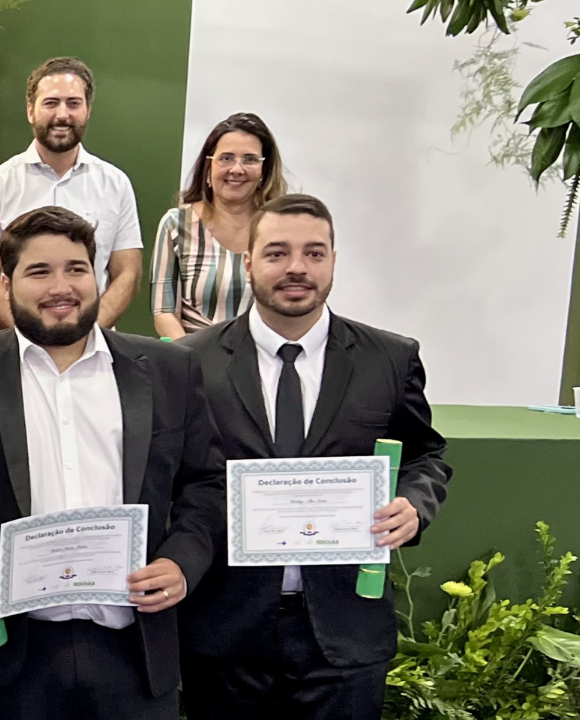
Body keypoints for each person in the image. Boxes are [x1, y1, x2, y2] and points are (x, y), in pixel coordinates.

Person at [0, 207, 227, 720]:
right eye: (39, 271)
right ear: (5, 280)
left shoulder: (169, 368)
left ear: (99, 275)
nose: (61, 286)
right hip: (11, 652)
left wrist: (181, 563)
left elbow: (205, 484)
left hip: (135, 645)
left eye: (76, 269)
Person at [177, 194, 452, 719]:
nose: (297, 267)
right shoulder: (189, 363)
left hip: (344, 629)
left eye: (314, 253)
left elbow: (426, 455)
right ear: (249, 260)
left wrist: (414, 503)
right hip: (223, 628)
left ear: (332, 261)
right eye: (278, 252)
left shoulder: (390, 359)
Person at [0, 56, 143, 331]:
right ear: (30, 111)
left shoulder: (116, 184)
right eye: (51, 103)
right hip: (9, 349)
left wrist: (83, 336)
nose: (63, 115)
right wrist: (29, 337)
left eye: (73, 103)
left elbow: (128, 274)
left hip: (91, 351)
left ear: (88, 111)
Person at [152, 112, 289, 339]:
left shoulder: (281, 229)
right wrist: (192, 360)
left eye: (250, 159)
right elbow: (164, 312)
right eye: (226, 158)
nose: (237, 169)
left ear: (264, 171)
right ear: (208, 166)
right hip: (194, 360)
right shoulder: (176, 224)